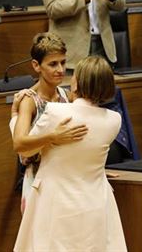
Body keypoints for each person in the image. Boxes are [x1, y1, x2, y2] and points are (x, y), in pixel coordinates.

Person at [14, 55, 126, 251]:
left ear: (77, 84)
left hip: (56, 203)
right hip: (95, 203)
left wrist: (16, 116)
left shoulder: (56, 112)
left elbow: (24, 149)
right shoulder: (114, 120)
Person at [10, 32, 87, 214]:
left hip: (66, 178)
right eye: (52, 64)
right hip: (38, 180)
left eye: (62, 62)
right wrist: (53, 137)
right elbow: (19, 143)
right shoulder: (29, 100)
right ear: (36, 66)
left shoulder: (65, 95)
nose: (60, 69)